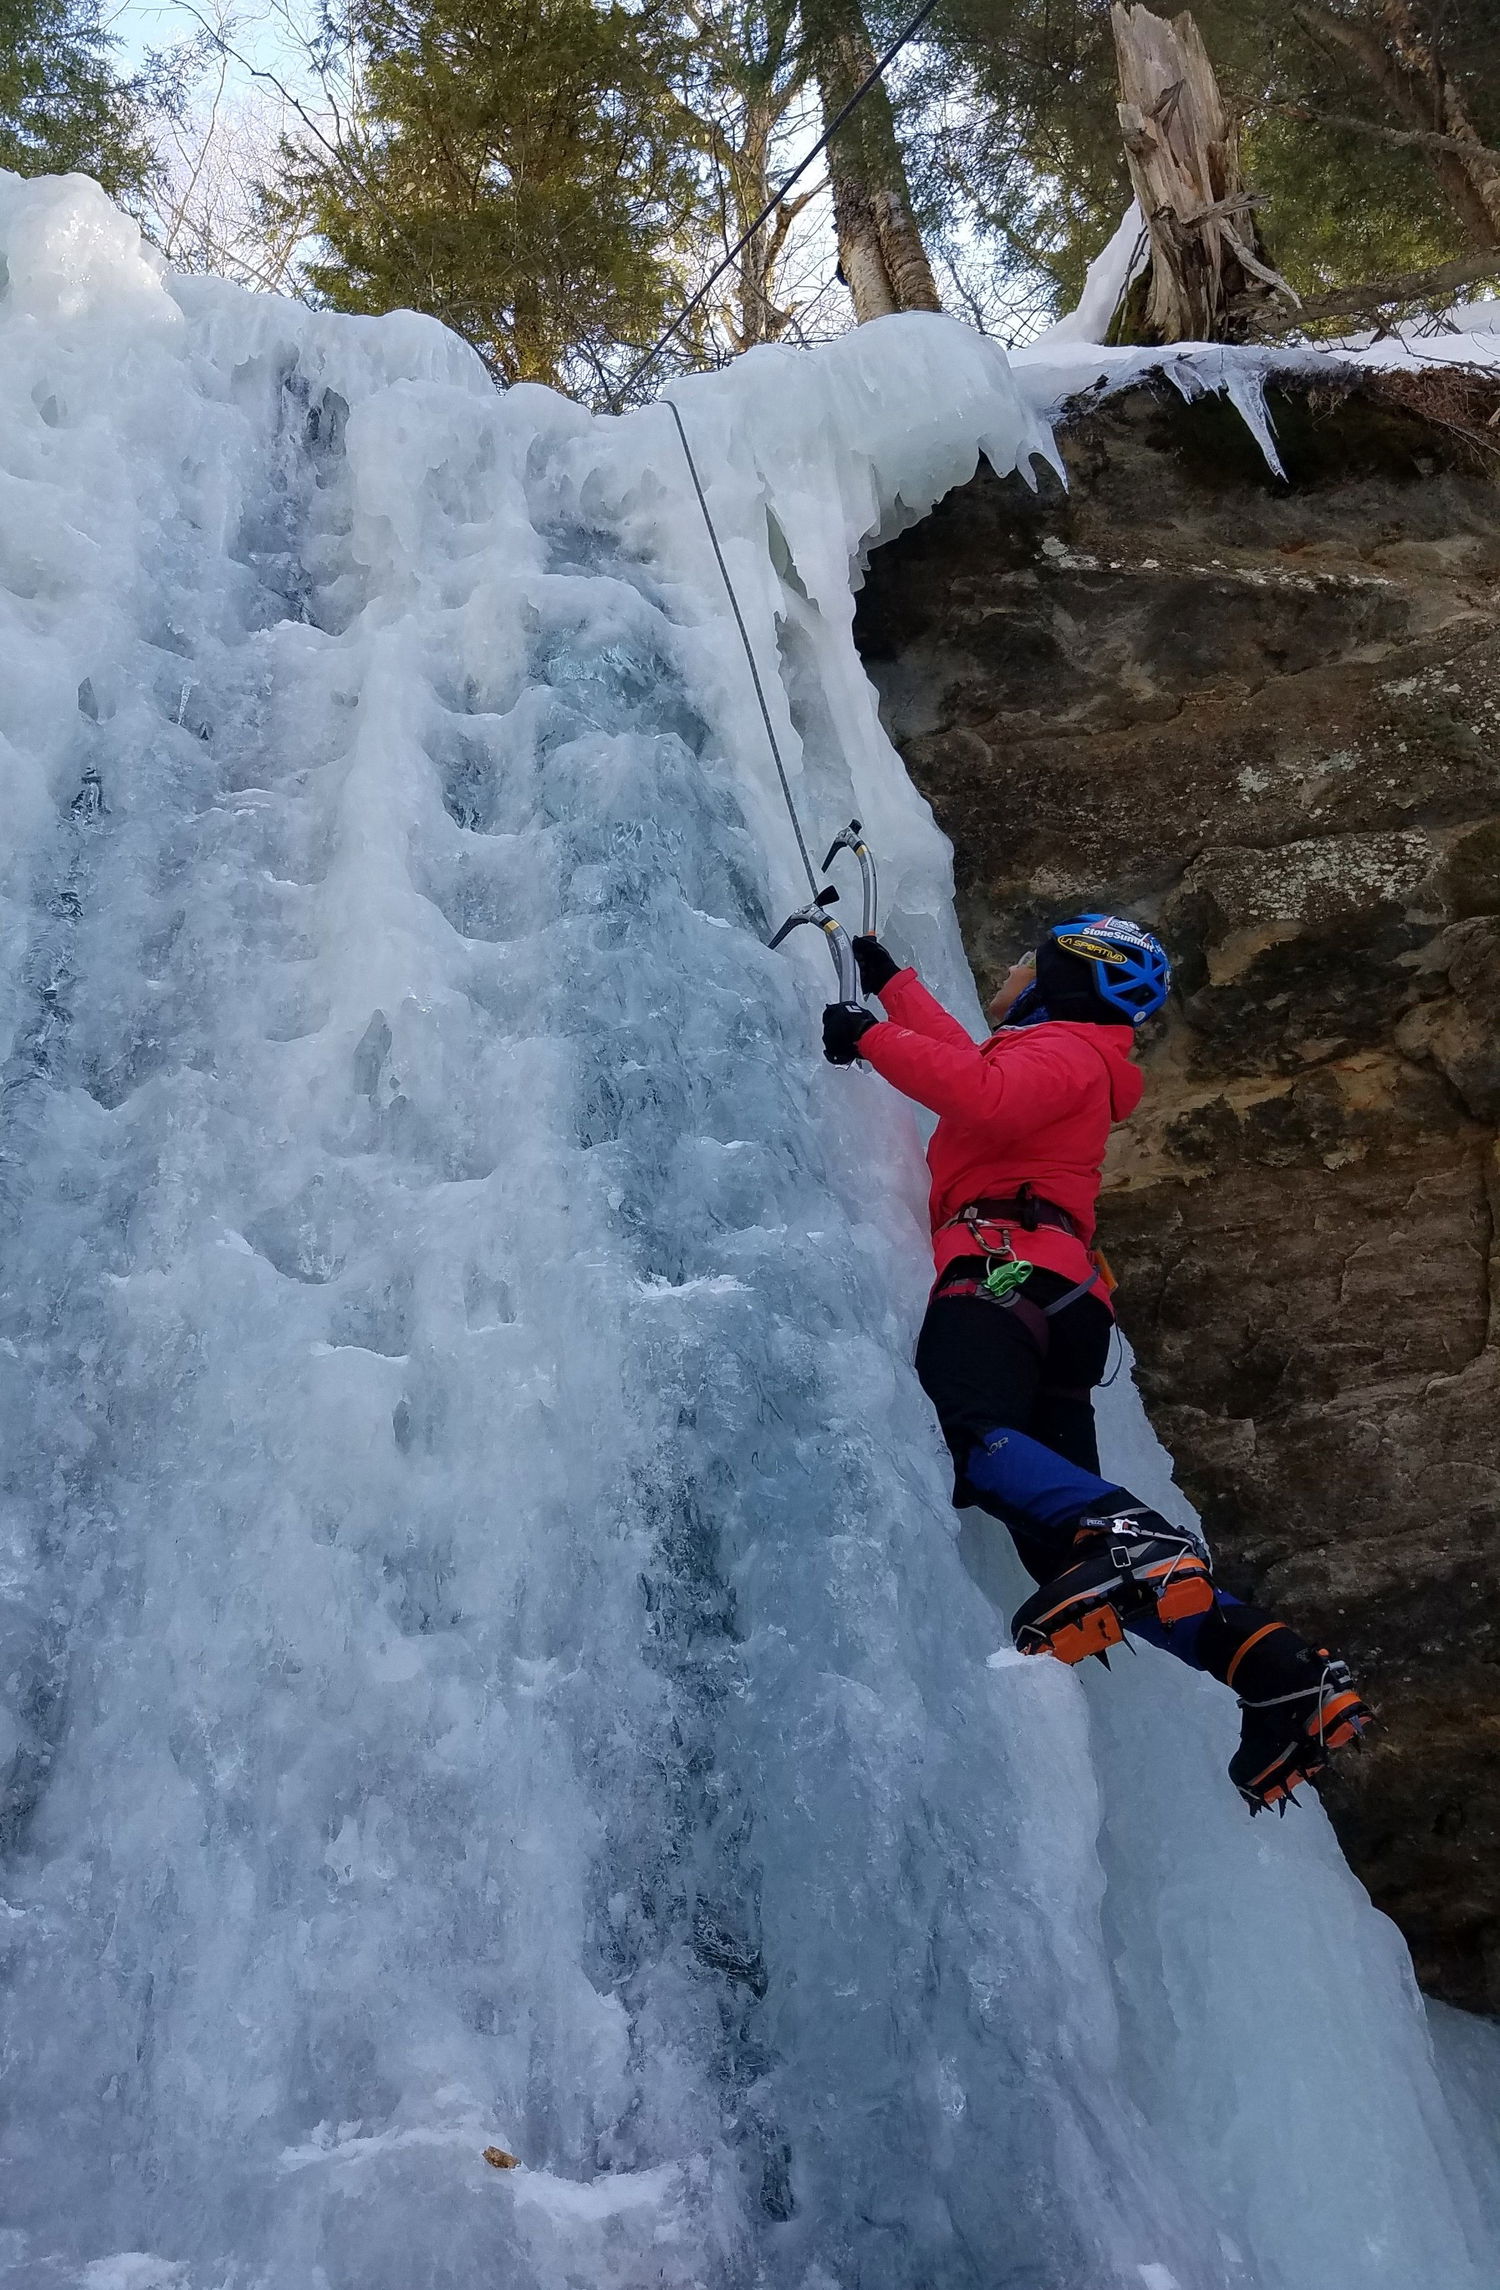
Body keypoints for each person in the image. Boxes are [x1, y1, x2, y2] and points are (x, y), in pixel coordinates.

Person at [822, 914, 1370, 1814]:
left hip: (1006, 1271)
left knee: (971, 1428)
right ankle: (1280, 1676)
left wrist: (868, 1037)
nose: (1005, 970)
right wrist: (891, 985)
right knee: (1057, 1545)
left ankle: (1136, 1540)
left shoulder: (1068, 1051)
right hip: (1058, 1297)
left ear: (1062, 980)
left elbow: (976, 1094)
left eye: (1022, 961)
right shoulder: (1066, 1054)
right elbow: (974, 1064)